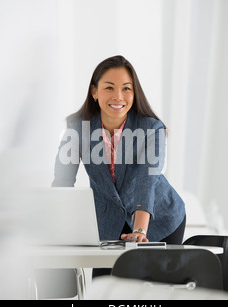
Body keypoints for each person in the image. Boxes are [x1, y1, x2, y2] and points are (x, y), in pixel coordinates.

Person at [52, 55, 186, 277]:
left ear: (134, 93)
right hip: (109, 224)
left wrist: (140, 230)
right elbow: (63, 182)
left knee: (150, 295)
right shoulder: (78, 128)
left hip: (158, 219)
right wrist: (57, 225)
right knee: (105, 290)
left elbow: (147, 179)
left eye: (126, 88)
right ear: (94, 91)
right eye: (109, 88)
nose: (118, 96)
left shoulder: (151, 128)